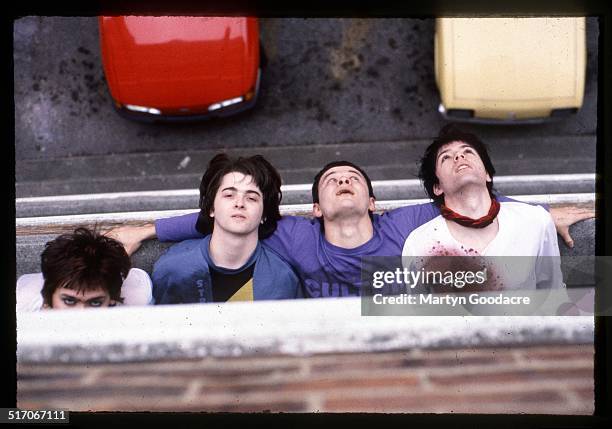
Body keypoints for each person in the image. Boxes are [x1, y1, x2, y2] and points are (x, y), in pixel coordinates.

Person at [109, 152, 592, 298]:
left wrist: (543, 211)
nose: (343, 182)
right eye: (331, 181)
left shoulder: (404, 227)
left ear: (373, 202)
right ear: (314, 208)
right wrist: (146, 229)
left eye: (353, 178)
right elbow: (229, 215)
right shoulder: (293, 233)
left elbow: (471, 200)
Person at [402, 124, 563, 289]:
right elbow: (419, 311)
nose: (459, 156)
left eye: (468, 151)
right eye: (446, 157)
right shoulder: (419, 244)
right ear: (437, 187)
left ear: (487, 173)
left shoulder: (535, 220)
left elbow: (553, 293)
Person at [151, 154, 301, 304]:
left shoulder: (282, 278)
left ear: (264, 215)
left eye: (252, 198)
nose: (239, 203)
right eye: (229, 195)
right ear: (211, 208)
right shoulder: (172, 268)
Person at [16, 227, 153, 312]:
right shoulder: (23, 304)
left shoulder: (138, 298)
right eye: (69, 301)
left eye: (95, 303)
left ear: (112, 298)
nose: (81, 315)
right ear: (48, 297)